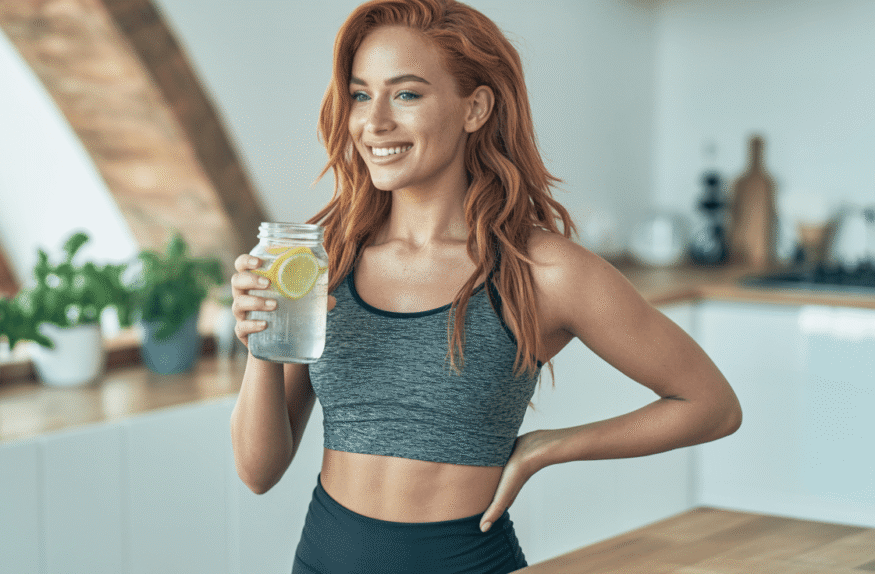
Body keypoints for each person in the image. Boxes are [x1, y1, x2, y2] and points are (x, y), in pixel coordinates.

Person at [229, 0, 742, 572]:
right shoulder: (328, 257)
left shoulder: (540, 269)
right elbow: (258, 473)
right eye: (359, 94)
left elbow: (711, 405)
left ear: (475, 108)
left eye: (406, 94)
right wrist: (261, 349)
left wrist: (548, 447)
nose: (374, 123)